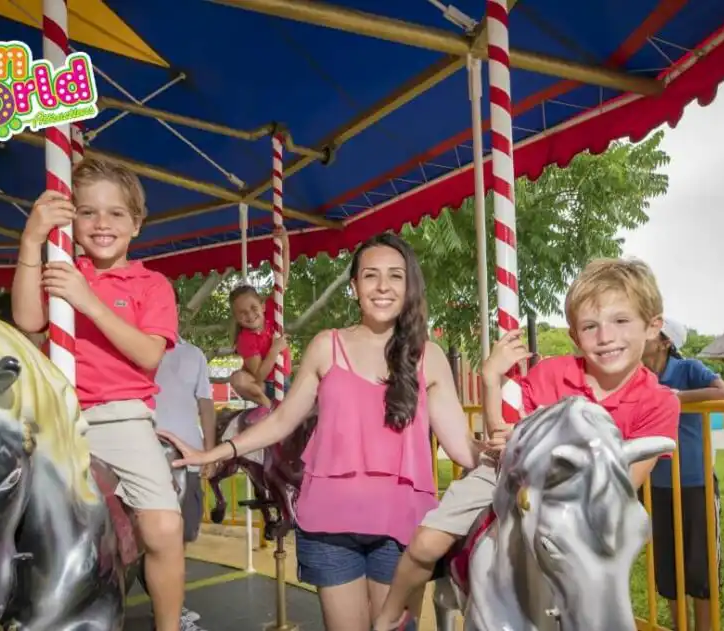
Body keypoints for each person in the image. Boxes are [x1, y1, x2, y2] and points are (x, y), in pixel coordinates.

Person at [160, 233, 492, 631]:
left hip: (401, 522)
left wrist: (506, 440)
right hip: (330, 523)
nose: (382, 286)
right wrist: (214, 452)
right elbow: (282, 421)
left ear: (409, 286)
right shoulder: (326, 346)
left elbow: (463, 449)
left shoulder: (428, 356)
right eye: (370, 276)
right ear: (354, 286)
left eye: (395, 276)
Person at [373, 257, 682, 631]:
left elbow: (622, 484)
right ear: (575, 336)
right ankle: (389, 613)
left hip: (574, 511)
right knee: (426, 543)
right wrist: (491, 379)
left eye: (621, 321)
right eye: (590, 326)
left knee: (597, 580)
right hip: (509, 473)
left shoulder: (658, 402)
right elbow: (502, 433)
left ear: (653, 326)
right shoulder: (553, 373)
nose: (605, 336)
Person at [11, 158, 185, 631]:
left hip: (121, 420)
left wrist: (87, 301)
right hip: (56, 418)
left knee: (164, 527)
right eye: (87, 212)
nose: (101, 223)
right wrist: (31, 240)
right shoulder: (62, 268)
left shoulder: (151, 285)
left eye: (115, 213)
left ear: (136, 223)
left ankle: (168, 625)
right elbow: (28, 320)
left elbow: (148, 354)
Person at [641, 318, 724, 631]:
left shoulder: (688, 368)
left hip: (695, 484)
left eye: (649, 332)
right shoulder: (637, 376)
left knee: (700, 569)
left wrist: (675, 397)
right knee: (668, 569)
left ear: (665, 342)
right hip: (655, 485)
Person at [153, 335, 217, 631]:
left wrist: (210, 451)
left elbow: (206, 403)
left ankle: (172, 609)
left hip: (186, 454)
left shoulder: (194, 354)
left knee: (182, 536)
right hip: (144, 452)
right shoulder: (132, 345)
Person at [228, 226, 291, 408]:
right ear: (236, 317)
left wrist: (285, 246)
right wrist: (274, 350)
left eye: (253, 308)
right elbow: (259, 376)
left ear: (263, 306)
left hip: (284, 380)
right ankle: (266, 407)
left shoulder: (272, 313)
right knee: (238, 379)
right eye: (242, 313)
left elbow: (282, 279)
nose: (250, 315)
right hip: (264, 386)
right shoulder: (245, 339)